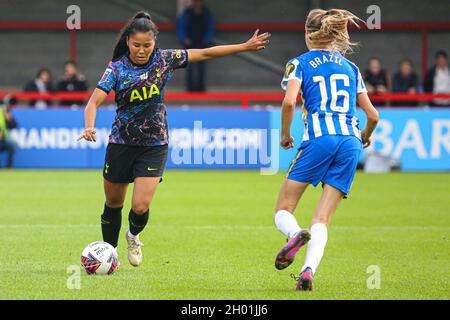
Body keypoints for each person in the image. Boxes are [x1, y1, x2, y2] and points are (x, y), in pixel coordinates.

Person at [77, 11, 269, 267]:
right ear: (127, 43)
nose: (142, 50)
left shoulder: (165, 59)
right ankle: (109, 254)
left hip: (154, 144)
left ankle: (133, 237)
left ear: (154, 42)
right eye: (136, 45)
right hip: (121, 143)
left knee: (141, 205)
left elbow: (207, 53)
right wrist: (89, 126)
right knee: (113, 202)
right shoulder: (117, 68)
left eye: (147, 45)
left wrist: (243, 47)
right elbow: (93, 102)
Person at [274, 8, 379, 291]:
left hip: (319, 139)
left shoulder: (299, 63)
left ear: (307, 34)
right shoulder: (352, 68)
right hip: (349, 141)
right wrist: (364, 136)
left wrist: (285, 135)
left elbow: (288, 103)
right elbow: (373, 116)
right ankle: (308, 271)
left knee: (283, 209)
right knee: (322, 218)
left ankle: (295, 234)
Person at [177, 0, 215, 91]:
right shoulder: (187, 13)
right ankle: (190, 89)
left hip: (202, 44)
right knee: (189, 68)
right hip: (189, 44)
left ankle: (201, 88)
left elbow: (210, 28)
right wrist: (184, 38)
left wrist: (206, 40)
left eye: (199, 2)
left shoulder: (207, 13)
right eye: (196, 2)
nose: (197, 4)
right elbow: (181, 27)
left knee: (202, 68)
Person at [0, 95, 18, 169]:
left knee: (12, 145)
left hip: (3, 140)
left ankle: (9, 168)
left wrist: (9, 119)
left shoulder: (6, 112)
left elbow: (14, 125)